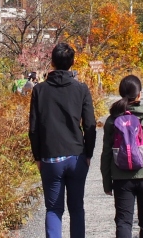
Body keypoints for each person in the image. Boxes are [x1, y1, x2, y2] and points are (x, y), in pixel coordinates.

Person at [29, 43, 97, 238]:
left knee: (53, 209)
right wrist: (88, 153)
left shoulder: (40, 90)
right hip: (76, 156)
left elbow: (34, 129)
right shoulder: (81, 89)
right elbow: (90, 125)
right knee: (76, 209)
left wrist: (37, 156)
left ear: (52, 62)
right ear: (72, 63)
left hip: (50, 157)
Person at [100, 75, 143, 238]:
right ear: (139, 94)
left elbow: (106, 153)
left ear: (121, 94)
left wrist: (107, 182)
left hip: (122, 178)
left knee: (123, 221)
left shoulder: (113, 119)